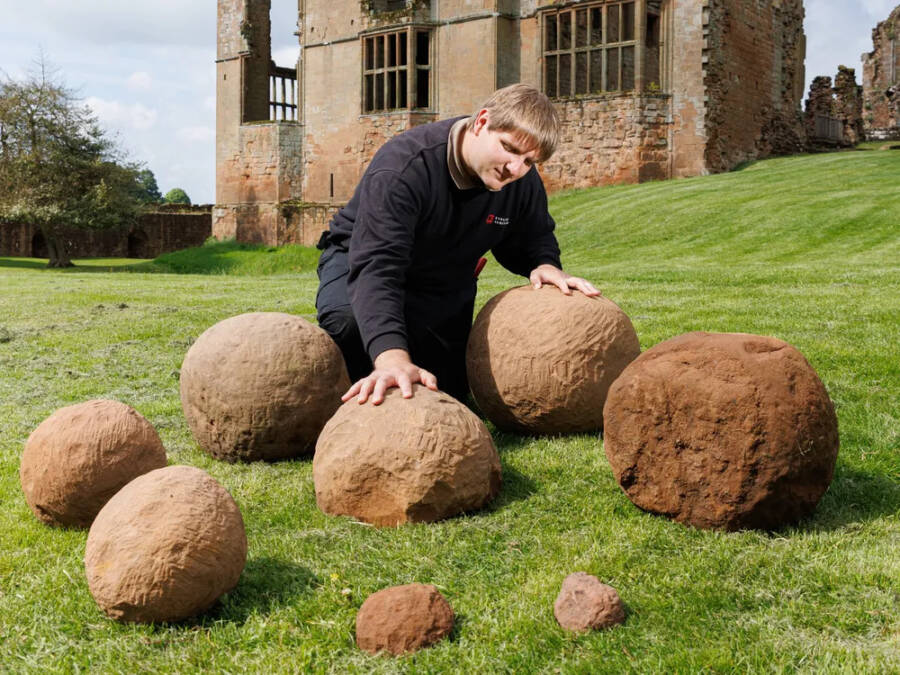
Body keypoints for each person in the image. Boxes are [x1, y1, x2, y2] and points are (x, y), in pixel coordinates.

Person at [315, 83, 599, 406]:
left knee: (447, 388)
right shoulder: (404, 167)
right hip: (360, 259)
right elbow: (378, 268)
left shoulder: (520, 181)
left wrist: (545, 264)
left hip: (443, 277)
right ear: (481, 122)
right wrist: (391, 358)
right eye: (509, 148)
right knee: (354, 328)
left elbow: (534, 235)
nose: (515, 168)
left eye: (529, 161)